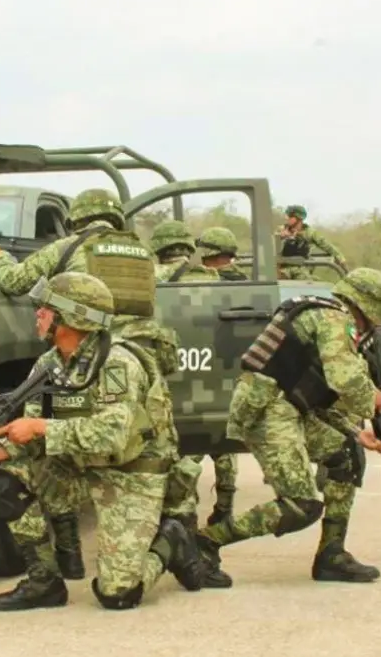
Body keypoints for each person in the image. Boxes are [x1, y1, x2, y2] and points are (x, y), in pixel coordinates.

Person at [0, 272, 201, 611]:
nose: (38, 314)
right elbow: (32, 436)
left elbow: (112, 435)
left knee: (117, 594)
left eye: (46, 309)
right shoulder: (48, 364)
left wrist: (40, 427)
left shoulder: (117, 363)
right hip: (79, 468)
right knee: (9, 481)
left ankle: (172, 539)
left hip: (130, 473)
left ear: (71, 318)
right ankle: (45, 581)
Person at [0, 188, 180, 577]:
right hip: (134, 353)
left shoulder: (69, 248)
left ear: (77, 220)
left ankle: (141, 541)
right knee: (154, 437)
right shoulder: (143, 254)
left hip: (97, 356)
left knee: (122, 444)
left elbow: (16, 281)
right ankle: (63, 563)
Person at [194, 268, 381, 585]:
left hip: (284, 407)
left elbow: (311, 394)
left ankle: (332, 554)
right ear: (369, 309)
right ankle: (203, 542)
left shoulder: (319, 314)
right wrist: (373, 400)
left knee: (343, 454)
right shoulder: (334, 320)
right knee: (301, 506)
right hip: (268, 410)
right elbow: (346, 379)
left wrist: (358, 433)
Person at [149, 221, 239, 531]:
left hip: (171, 376)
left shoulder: (152, 279)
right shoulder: (217, 281)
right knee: (223, 438)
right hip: (216, 372)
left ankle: (179, 514)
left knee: (180, 450)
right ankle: (225, 505)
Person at [277, 205, 348, 280]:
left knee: (307, 282)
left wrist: (341, 259)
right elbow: (267, 246)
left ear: (299, 218)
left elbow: (327, 246)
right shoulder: (280, 230)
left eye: (290, 216)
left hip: (301, 267)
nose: (287, 218)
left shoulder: (310, 233)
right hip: (282, 268)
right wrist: (279, 237)